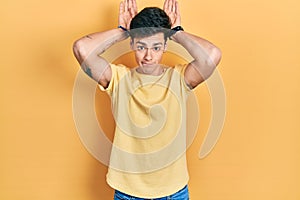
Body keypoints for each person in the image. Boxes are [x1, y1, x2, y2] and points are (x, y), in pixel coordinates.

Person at [73, 0, 221, 199]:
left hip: (173, 193)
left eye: (157, 47)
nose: (148, 56)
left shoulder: (179, 79)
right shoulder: (118, 79)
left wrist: (175, 31)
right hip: (128, 193)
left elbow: (212, 55)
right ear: (132, 44)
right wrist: (123, 31)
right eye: (141, 46)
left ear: (165, 46)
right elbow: (82, 48)